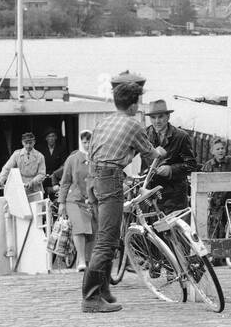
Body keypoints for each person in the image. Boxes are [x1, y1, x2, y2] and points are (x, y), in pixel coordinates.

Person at [80, 82, 166, 313]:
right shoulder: (133, 124)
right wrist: (160, 152)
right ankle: (90, 297)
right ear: (133, 104)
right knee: (106, 242)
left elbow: (94, 154)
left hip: (94, 178)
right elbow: (151, 156)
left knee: (105, 236)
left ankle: (104, 290)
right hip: (110, 179)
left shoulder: (103, 122)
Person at [138, 100, 198, 212]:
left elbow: (192, 165)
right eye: (153, 118)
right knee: (147, 228)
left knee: (174, 229)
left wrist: (171, 169)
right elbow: (126, 155)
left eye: (160, 117)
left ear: (168, 116)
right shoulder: (143, 135)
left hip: (174, 197)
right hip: (149, 195)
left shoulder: (181, 136)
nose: (157, 121)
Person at [57, 130, 95, 271]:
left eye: (89, 141)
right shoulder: (73, 159)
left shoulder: (98, 158)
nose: (86, 144)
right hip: (74, 199)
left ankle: (88, 260)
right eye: (84, 141)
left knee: (92, 231)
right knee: (79, 227)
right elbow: (65, 181)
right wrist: (61, 202)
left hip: (92, 199)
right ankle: (81, 260)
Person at [200, 137, 231, 240]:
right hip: (216, 203)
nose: (220, 151)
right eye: (217, 149)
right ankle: (215, 253)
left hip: (230, 202)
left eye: (222, 148)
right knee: (215, 227)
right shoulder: (208, 166)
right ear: (212, 151)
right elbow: (203, 181)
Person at [0, 131, 47, 200]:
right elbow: (7, 168)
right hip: (20, 187)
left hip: (35, 188)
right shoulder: (17, 154)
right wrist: (1, 180)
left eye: (30, 143)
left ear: (34, 142)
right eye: (26, 143)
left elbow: (42, 174)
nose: (28, 145)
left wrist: (31, 183)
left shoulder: (40, 156)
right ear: (22, 142)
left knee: (35, 208)